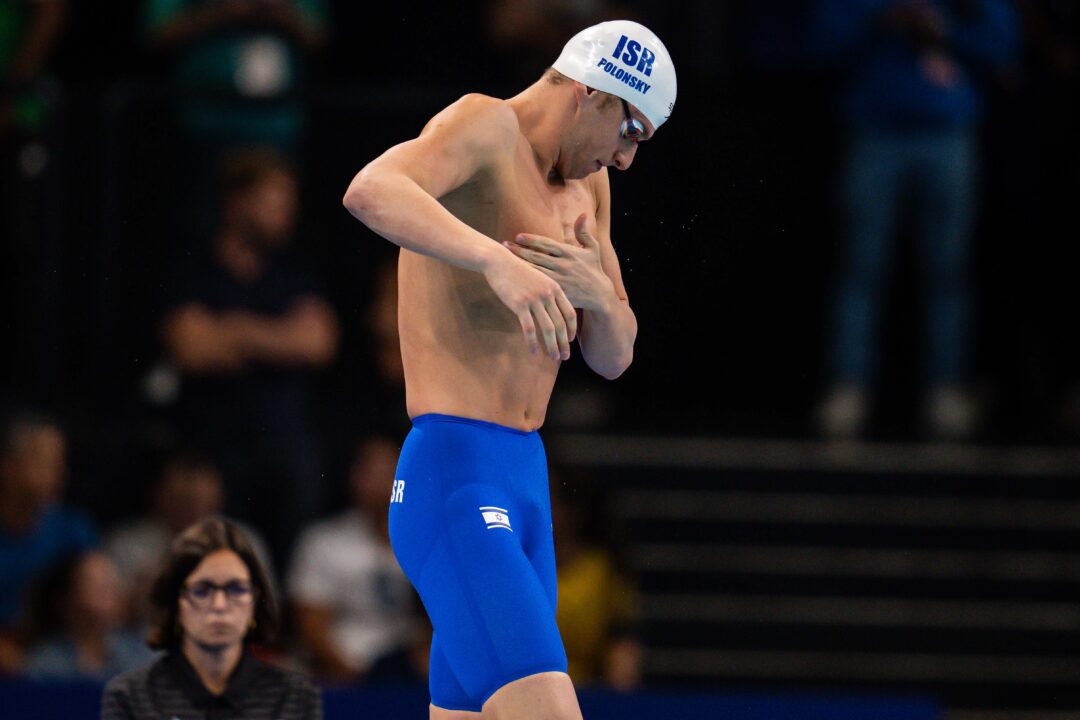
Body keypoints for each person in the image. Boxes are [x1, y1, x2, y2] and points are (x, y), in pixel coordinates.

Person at [342, 19, 676, 720]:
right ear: (591, 94)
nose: (626, 160)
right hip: (454, 479)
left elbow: (615, 357)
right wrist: (496, 261)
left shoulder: (588, 192)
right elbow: (371, 190)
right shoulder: (485, 128)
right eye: (631, 132)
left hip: (525, 485)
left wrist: (598, 300)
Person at [811, 0, 1016, 441]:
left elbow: (1002, 46)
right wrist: (882, 20)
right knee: (861, 269)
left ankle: (945, 389)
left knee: (948, 272)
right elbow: (820, 40)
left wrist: (943, 30)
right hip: (874, 133)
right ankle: (850, 385)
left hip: (947, 134)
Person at [160, 146, 339, 567]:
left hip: (282, 446)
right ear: (236, 203)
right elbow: (190, 348)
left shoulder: (295, 271)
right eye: (274, 202)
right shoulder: (195, 268)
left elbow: (318, 343)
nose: (286, 215)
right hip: (213, 442)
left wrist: (234, 330)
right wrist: (278, 337)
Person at [101, 517, 321, 719]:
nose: (219, 605)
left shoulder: (294, 699)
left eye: (235, 589)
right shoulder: (129, 697)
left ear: (254, 601)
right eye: (201, 590)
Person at [287, 434, 422, 684]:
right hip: (346, 671)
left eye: (390, 471)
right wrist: (354, 677)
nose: (383, 483)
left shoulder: (426, 540)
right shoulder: (324, 541)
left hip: (410, 670)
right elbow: (311, 624)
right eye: (373, 472)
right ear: (355, 477)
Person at [104, 449, 275, 628]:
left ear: (218, 499)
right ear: (159, 495)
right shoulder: (126, 544)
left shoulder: (242, 540)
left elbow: (268, 614)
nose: (192, 512)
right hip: (141, 646)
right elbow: (103, 616)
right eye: (182, 501)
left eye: (201, 503)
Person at [0, 409, 97, 632]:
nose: (58, 472)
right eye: (43, 462)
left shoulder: (73, 529)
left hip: (57, 653)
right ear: (7, 466)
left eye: (59, 462)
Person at [20, 550, 155, 681]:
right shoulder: (44, 665)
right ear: (67, 600)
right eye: (98, 586)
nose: (111, 592)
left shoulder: (139, 654)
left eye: (112, 583)